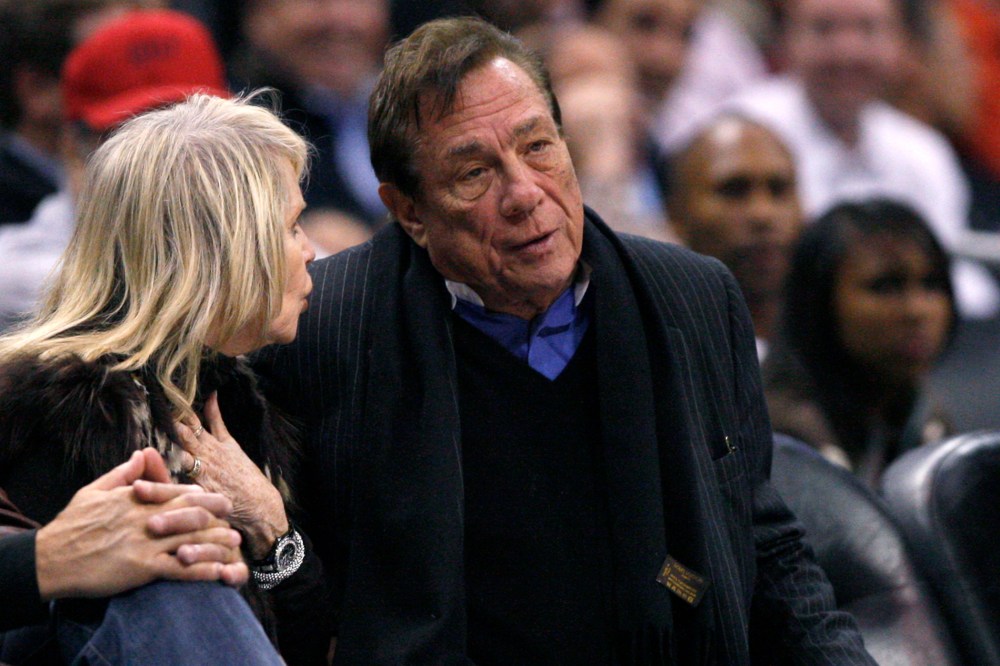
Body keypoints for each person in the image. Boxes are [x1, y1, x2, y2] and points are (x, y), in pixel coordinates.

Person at [253, 16, 875, 664]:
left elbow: (760, 540)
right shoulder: (318, 331)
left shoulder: (693, 299)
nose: (525, 195)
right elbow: (298, 605)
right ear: (409, 211)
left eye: (538, 147)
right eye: (474, 173)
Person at [0, 92, 330, 663]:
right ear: (225, 253)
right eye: (291, 227)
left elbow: (303, 646)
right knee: (172, 569)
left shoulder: (234, 394)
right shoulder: (62, 412)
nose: (310, 252)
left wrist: (273, 532)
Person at [723, 0, 999, 317]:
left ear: (901, 43)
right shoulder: (740, 135)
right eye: (824, 28)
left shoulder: (923, 150)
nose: (848, 51)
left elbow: (952, 277)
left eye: (868, 29)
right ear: (786, 39)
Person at [0, 8, 229, 330]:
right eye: (132, 138)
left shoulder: (277, 239)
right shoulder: (19, 268)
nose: (166, 165)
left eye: (200, 135)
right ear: (74, 150)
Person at [763, 198, 956, 489]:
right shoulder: (775, 434)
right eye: (885, 286)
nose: (917, 311)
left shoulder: (926, 418)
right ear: (818, 300)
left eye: (932, 284)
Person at [667, 114, 804, 358]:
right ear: (676, 212)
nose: (762, 214)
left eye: (779, 189)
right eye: (734, 190)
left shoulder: (842, 345)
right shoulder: (656, 349)